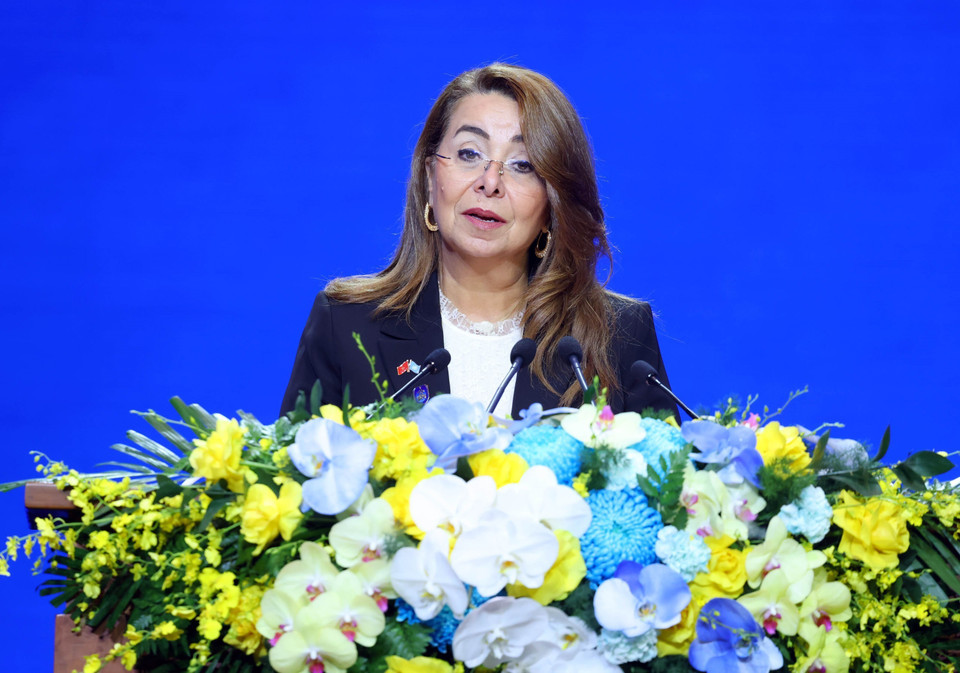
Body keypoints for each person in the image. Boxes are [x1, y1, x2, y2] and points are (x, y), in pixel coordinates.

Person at [280, 63, 677, 419]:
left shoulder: (617, 335)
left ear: (552, 205)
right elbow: (295, 486)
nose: (490, 182)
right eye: (469, 153)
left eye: (523, 166)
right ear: (428, 179)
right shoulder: (347, 325)